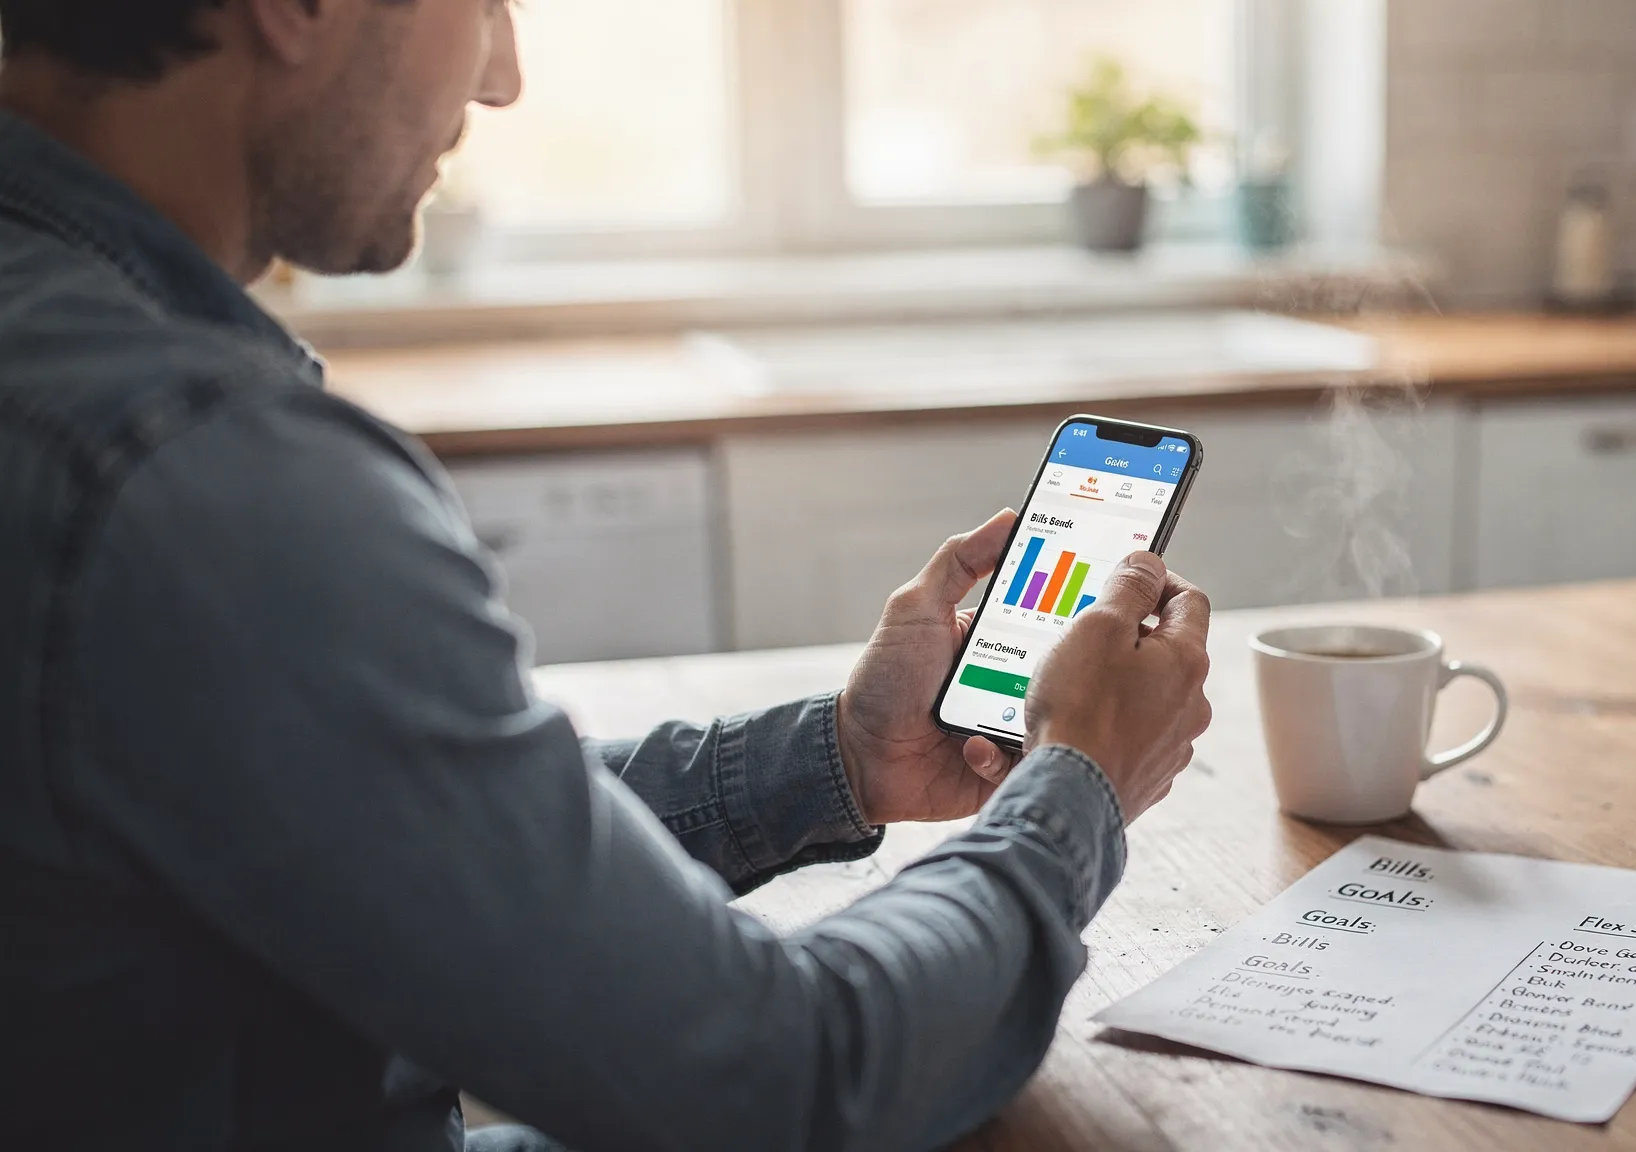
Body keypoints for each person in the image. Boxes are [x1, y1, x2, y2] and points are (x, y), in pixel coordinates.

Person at [0, 1, 1216, 1149]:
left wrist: (838, 757)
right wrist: (1075, 786)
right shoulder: (202, 473)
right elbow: (786, 1079)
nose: (502, 75)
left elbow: (423, 836)